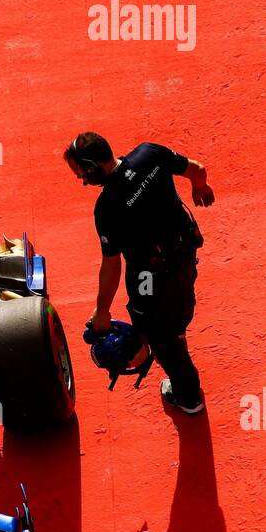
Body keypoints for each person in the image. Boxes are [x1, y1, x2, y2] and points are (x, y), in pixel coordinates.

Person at [64, 133, 214, 415]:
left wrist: (102, 312)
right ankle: (178, 328)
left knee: (155, 331)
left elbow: (112, 265)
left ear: (92, 166)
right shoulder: (150, 153)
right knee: (182, 296)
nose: (83, 181)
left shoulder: (107, 207)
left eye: (82, 173)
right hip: (186, 253)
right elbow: (198, 169)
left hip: (149, 279)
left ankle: (188, 397)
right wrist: (200, 187)